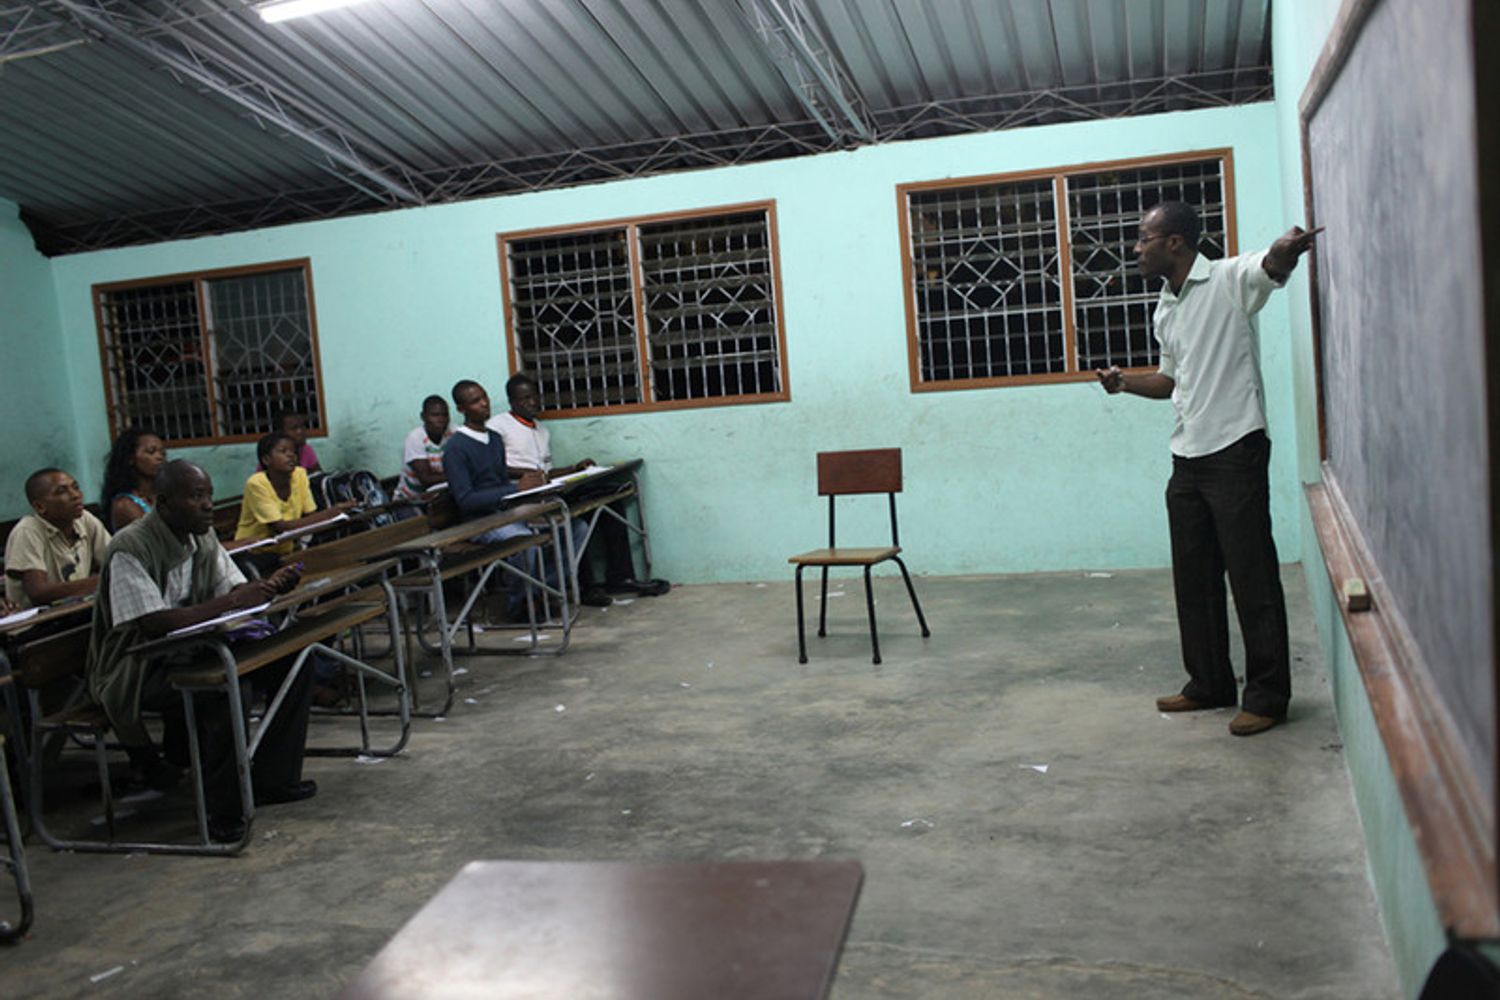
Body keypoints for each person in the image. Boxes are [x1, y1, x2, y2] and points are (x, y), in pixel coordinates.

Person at [1096, 201, 1320, 737]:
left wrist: (1284, 253)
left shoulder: (1227, 278)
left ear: (1175, 242)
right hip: (1188, 455)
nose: (1136, 247)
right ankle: (1209, 683)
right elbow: (1169, 382)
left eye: (1143, 237)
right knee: (1193, 579)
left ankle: (1267, 697)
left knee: (1252, 576)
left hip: (1236, 448)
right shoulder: (1165, 306)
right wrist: (1125, 383)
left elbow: (1268, 267)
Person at [86, 460, 314, 840]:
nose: (208, 504)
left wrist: (270, 587)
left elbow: (232, 590)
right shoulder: (130, 546)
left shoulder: (201, 535)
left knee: (293, 661)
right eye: (196, 497)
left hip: (195, 648)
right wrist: (232, 603)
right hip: (139, 666)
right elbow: (154, 623)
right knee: (226, 688)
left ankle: (273, 780)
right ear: (164, 503)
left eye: (208, 495)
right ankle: (222, 810)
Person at [486, 372, 632, 606]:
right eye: (524, 399)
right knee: (573, 516)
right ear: (512, 402)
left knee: (602, 500)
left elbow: (546, 471)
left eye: (534, 396)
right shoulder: (497, 426)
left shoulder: (542, 431)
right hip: (516, 500)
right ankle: (579, 587)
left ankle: (553, 586)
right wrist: (527, 475)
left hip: (545, 496)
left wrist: (575, 468)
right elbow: (493, 467)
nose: (532, 402)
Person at [4, 468, 111, 610]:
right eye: (61, 491)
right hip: (37, 624)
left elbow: (115, 561)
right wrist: (101, 580)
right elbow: (38, 593)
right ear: (40, 507)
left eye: (76, 487)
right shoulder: (27, 531)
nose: (75, 495)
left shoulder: (85, 519)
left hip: (76, 612)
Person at [236, 433, 352, 556]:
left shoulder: (300, 475)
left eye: (294, 452)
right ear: (266, 460)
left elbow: (311, 515)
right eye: (283, 451)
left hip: (286, 550)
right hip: (254, 552)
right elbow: (280, 527)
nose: (291, 455)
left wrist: (336, 514)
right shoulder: (256, 483)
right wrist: (329, 514)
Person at [100, 427, 167, 532]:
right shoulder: (125, 505)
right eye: (151, 451)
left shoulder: (160, 495)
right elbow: (156, 537)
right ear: (130, 458)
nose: (159, 457)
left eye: (163, 453)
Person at [394, 395, 453, 500]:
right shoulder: (415, 438)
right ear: (423, 416)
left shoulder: (454, 432)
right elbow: (426, 479)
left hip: (441, 493)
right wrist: (459, 474)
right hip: (410, 498)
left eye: (445, 415)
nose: (441, 420)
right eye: (435, 415)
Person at [257, 409, 322, 473]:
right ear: (280, 432)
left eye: (302, 426)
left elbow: (319, 476)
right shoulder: (273, 455)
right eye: (294, 428)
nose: (300, 431)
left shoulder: (305, 450)